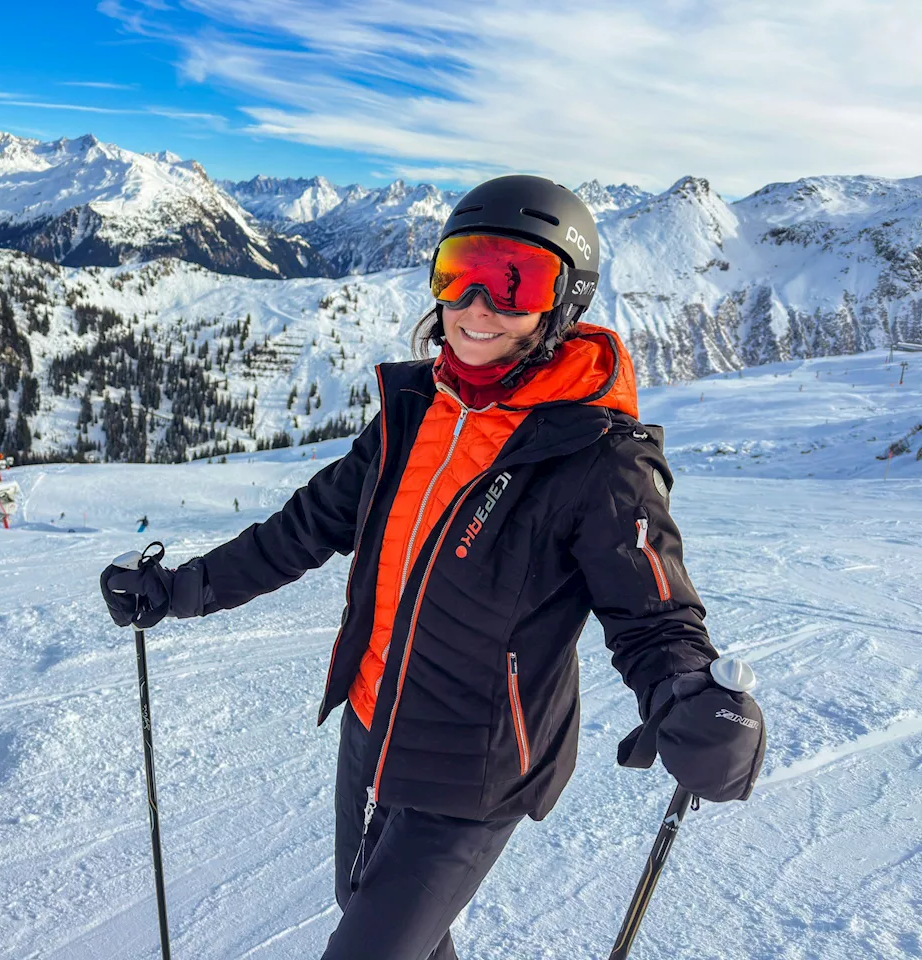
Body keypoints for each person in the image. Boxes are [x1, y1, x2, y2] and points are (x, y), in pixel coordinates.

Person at [100, 176, 766, 960]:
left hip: (475, 768)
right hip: (370, 725)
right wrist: (182, 590)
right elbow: (304, 528)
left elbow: (656, 618)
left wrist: (688, 691)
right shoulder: (413, 411)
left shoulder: (599, 459)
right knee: (360, 902)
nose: (477, 305)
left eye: (515, 282)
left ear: (563, 304)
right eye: (460, 272)